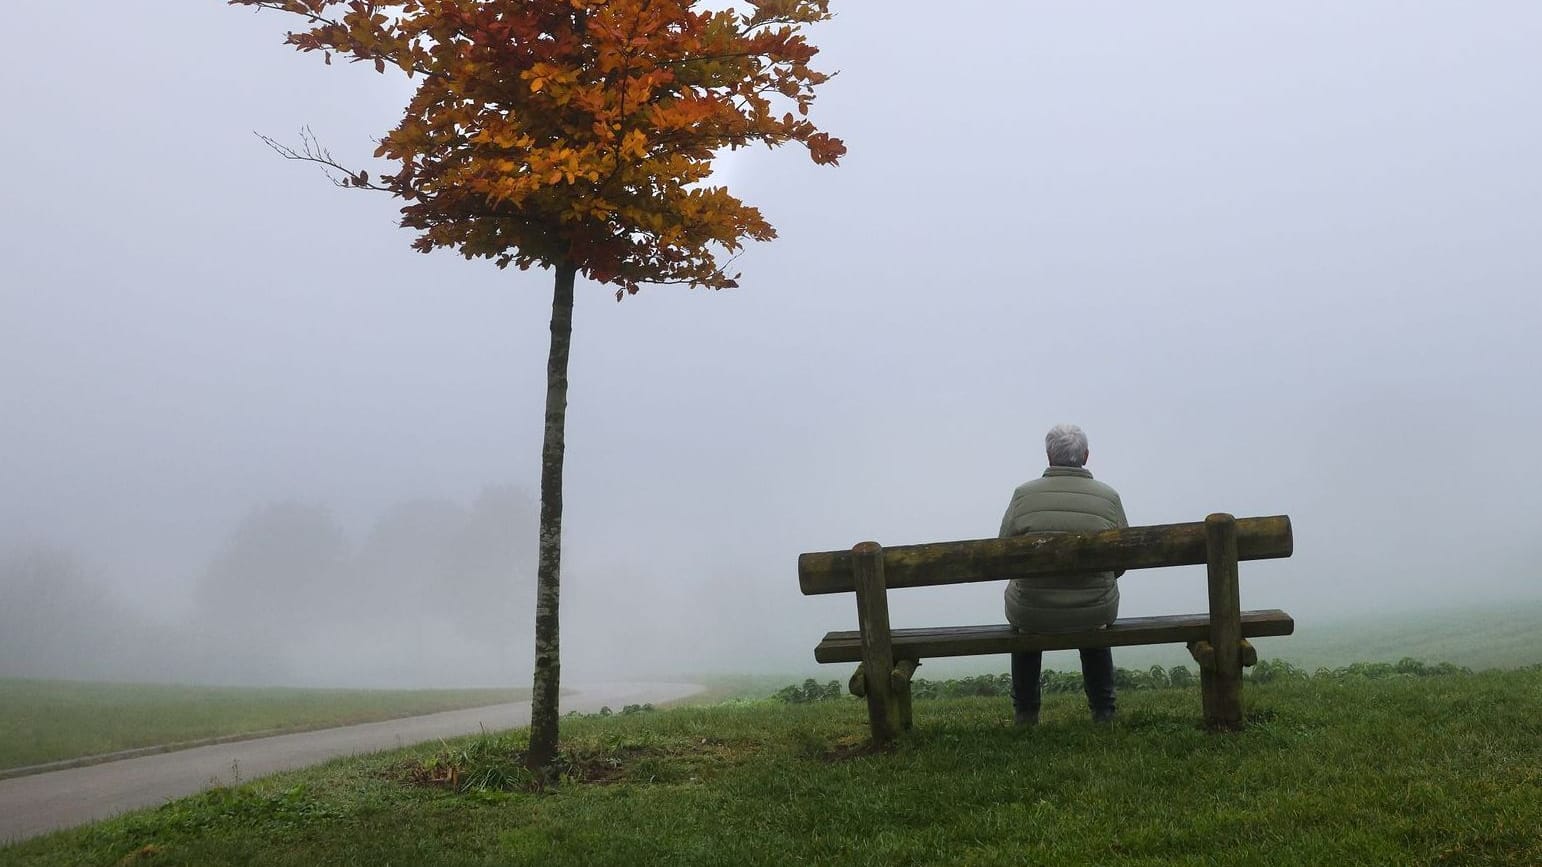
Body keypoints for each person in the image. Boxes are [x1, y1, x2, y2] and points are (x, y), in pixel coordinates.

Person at [999, 423, 1128, 726]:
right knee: (1092, 612)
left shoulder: (1023, 496)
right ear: (1086, 455)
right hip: (1094, 607)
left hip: (1033, 611)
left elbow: (1003, 557)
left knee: (1026, 618)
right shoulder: (1108, 498)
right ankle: (1103, 711)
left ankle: (1026, 713)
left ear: (1048, 456)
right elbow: (1122, 560)